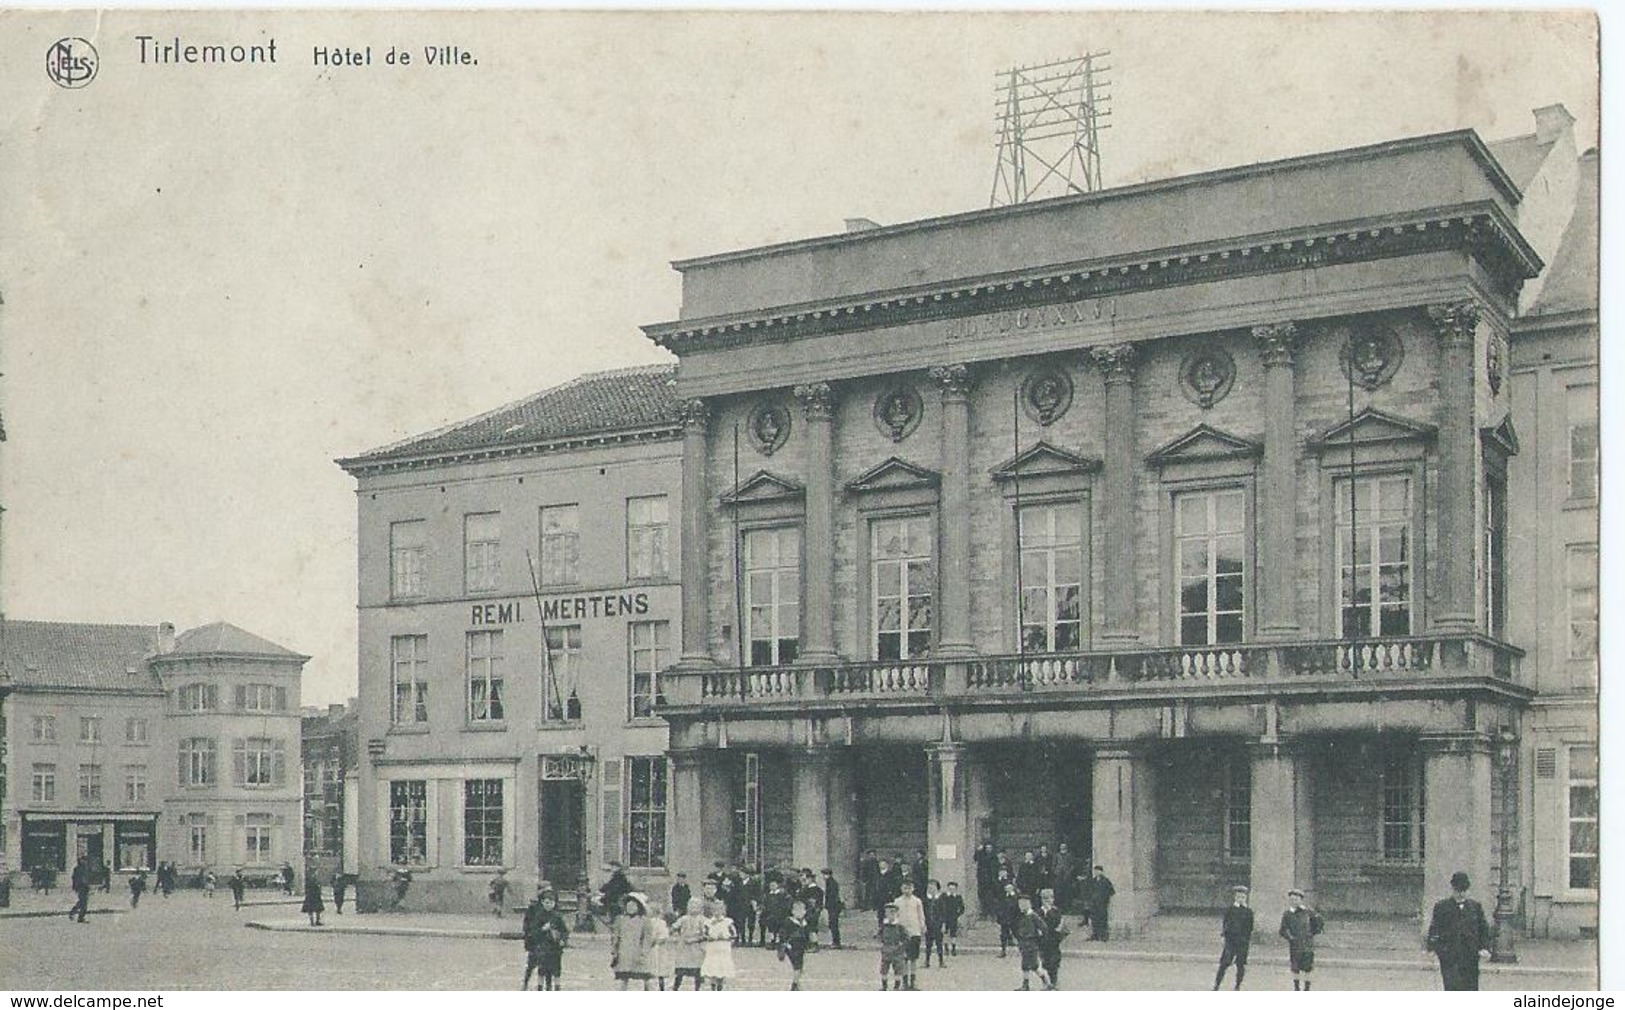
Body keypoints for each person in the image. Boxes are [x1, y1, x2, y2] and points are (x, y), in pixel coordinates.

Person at [1426, 871, 1492, 991]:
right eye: (1457, 890)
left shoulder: (1475, 907)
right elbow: (1434, 928)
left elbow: (1483, 929)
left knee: (1470, 987)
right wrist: (1432, 948)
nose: (1460, 894)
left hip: (1470, 956)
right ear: (1452, 889)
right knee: (1452, 986)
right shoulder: (1442, 907)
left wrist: (1485, 948)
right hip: (1449, 956)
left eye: (1463, 890)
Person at [522, 884, 570, 991]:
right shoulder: (534, 908)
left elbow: (563, 928)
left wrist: (561, 939)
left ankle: (549, 987)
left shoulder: (555, 911)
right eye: (545, 890)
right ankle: (526, 982)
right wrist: (531, 936)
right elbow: (528, 925)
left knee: (550, 966)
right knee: (532, 964)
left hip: (552, 944)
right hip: (536, 941)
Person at [1278, 888, 1324, 991]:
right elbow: (1283, 930)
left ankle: (1307, 989)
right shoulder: (1287, 914)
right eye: (1292, 900)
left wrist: (1312, 933)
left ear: (1301, 900)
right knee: (1295, 968)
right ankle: (1296, 988)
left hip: (1308, 945)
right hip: (1295, 945)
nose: (1294, 902)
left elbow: (1318, 923)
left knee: (1308, 968)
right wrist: (1290, 938)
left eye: (1296, 899)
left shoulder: (1309, 912)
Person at [610, 893, 658, 990]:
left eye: (633, 905)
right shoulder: (620, 920)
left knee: (646, 977)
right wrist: (614, 949)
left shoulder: (644, 921)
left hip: (638, 953)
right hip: (624, 953)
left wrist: (644, 952)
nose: (630, 908)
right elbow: (616, 936)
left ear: (639, 907)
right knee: (623, 978)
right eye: (628, 905)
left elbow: (647, 938)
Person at [1213, 885, 1255, 990]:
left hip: (1242, 942)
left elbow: (1250, 927)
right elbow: (1225, 924)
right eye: (1238, 897)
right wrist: (1226, 935)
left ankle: (1237, 986)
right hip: (1230, 941)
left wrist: (1246, 939)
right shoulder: (1230, 910)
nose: (1241, 899)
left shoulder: (1248, 912)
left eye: (1243, 897)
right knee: (1224, 963)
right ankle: (1217, 984)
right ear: (1235, 897)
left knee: (1240, 965)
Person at [893, 878, 926, 990]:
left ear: (913, 888)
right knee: (904, 958)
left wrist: (922, 927)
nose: (907, 890)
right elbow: (895, 916)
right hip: (902, 933)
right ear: (901, 889)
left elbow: (921, 915)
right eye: (905, 888)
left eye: (909, 888)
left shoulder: (917, 901)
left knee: (913, 958)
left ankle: (913, 982)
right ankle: (905, 982)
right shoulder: (897, 901)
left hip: (914, 932)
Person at [700, 898, 738, 990]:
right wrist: (709, 937)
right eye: (715, 910)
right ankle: (713, 988)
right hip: (712, 948)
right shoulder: (708, 922)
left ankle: (720, 988)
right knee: (713, 968)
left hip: (723, 948)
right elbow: (704, 934)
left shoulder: (728, 922)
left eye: (719, 910)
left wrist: (725, 937)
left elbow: (734, 934)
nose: (717, 912)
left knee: (721, 968)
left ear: (723, 910)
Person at [671, 897, 708, 991]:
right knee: (680, 971)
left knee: (697, 971)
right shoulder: (684, 918)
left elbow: (706, 934)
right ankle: (675, 988)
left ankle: (697, 989)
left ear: (700, 908)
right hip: (684, 948)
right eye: (691, 905)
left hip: (696, 948)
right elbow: (674, 927)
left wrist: (696, 939)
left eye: (696, 905)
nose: (693, 907)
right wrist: (675, 935)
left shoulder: (702, 920)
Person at [1012, 893, 1047, 990]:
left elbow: (1043, 927)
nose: (1021, 906)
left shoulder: (1033, 916)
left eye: (1023, 904)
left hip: (1031, 944)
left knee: (1033, 965)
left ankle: (1045, 982)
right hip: (1024, 944)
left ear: (1028, 904)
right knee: (1025, 965)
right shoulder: (1023, 916)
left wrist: (1038, 937)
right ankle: (1026, 984)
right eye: (1020, 904)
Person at [1037, 887, 1069, 989]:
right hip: (1042, 941)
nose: (1047, 901)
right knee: (1044, 962)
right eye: (1045, 899)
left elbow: (1060, 925)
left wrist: (1058, 935)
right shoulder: (1038, 912)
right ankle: (1047, 982)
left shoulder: (1056, 911)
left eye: (1050, 899)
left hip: (1053, 941)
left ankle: (1054, 981)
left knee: (1054, 962)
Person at [780, 898, 813, 991]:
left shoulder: (805, 923)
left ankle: (796, 983)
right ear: (793, 911)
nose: (800, 913)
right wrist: (785, 943)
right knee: (796, 967)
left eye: (802, 910)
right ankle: (794, 985)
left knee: (799, 968)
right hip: (791, 948)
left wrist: (809, 943)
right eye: (797, 910)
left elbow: (808, 935)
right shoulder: (789, 922)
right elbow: (783, 934)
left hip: (801, 948)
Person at [878, 903, 909, 991]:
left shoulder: (900, 927)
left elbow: (906, 938)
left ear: (897, 914)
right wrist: (881, 944)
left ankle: (896, 986)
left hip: (897, 952)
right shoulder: (884, 926)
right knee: (884, 969)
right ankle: (884, 986)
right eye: (888, 913)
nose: (891, 915)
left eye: (893, 913)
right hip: (886, 950)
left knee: (898, 970)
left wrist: (901, 947)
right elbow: (879, 935)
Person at [1086, 865, 1115, 940]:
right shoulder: (1093, 881)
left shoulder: (1105, 881)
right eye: (1095, 871)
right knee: (1094, 919)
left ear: (1101, 872)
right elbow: (1089, 891)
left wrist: (1105, 898)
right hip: (1094, 903)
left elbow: (1111, 891)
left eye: (1098, 871)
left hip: (1102, 904)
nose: (1096, 872)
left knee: (1103, 919)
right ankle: (1095, 934)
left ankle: (1103, 935)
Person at [821, 868, 845, 948]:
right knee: (833, 924)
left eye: (824, 874)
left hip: (834, 907)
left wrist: (828, 905)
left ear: (828, 874)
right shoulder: (831, 882)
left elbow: (832, 896)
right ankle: (835, 941)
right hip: (833, 906)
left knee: (833, 924)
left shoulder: (831, 883)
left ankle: (836, 942)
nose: (823, 877)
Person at [941, 881, 965, 955]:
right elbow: (940, 906)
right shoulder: (944, 896)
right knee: (945, 933)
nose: (951, 890)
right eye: (950, 888)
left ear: (956, 889)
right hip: (945, 917)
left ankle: (953, 949)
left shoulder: (958, 897)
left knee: (953, 934)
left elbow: (962, 908)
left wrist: (958, 915)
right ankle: (946, 948)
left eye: (953, 889)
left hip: (953, 917)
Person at [997, 881, 1020, 957]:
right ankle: (1003, 951)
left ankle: (1022, 949)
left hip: (1014, 919)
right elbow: (1000, 907)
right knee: (1003, 936)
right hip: (1005, 920)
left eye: (1009, 887)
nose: (1007, 889)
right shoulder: (1003, 897)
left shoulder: (1016, 897)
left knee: (1017, 934)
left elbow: (1018, 908)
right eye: (1006, 888)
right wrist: (1000, 917)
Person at [1052, 843, 1076, 910]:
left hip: (1067, 875)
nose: (1063, 847)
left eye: (1064, 846)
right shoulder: (1057, 855)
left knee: (1067, 891)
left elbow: (1073, 865)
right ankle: (1059, 906)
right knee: (1058, 890)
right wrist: (1055, 871)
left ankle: (1067, 907)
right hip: (1058, 875)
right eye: (1061, 846)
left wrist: (1069, 871)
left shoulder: (1069, 855)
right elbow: (1053, 864)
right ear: (1059, 847)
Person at [68, 856, 91, 923]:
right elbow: (74, 878)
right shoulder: (77, 869)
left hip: (85, 887)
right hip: (80, 887)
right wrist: (75, 886)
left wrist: (88, 886)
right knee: (83, 903)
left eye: (85, 860)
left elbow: (87, 878)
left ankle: (75, 914)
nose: (85, 862)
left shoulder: (85, 868)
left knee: (82, 902)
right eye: (84, 860)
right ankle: (77, 915)